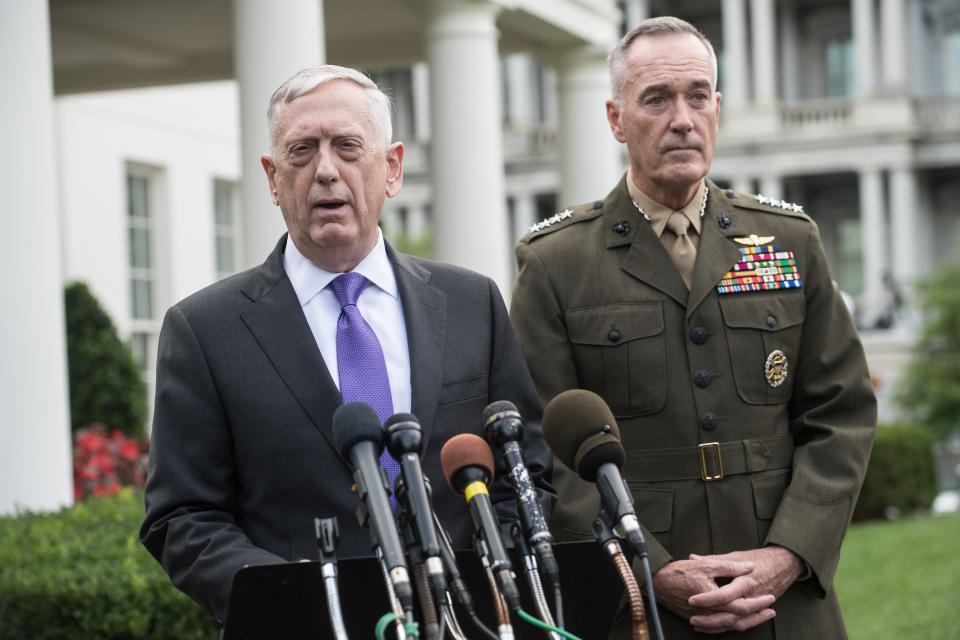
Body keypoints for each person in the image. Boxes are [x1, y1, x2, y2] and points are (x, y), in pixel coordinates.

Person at [140, 65, 553, 624]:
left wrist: (488, 580)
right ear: (271, 177)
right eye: (302, 151)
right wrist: (287, 593)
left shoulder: (471, 302)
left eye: (347, 147)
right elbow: (183, 517)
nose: (326, 172)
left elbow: (524, 469)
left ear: (392, 168)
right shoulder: (205, 330)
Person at [510, 17, 876, 639]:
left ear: (718, 108)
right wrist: (648, 569)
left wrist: (788, 555)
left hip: (783, 604)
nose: (682, 118)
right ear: (615, 118)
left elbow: (840, 416)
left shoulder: (788, 241)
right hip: (641, 606)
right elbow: (545, 453)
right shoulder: (556, 264)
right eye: (656, 98)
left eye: (698, 95)